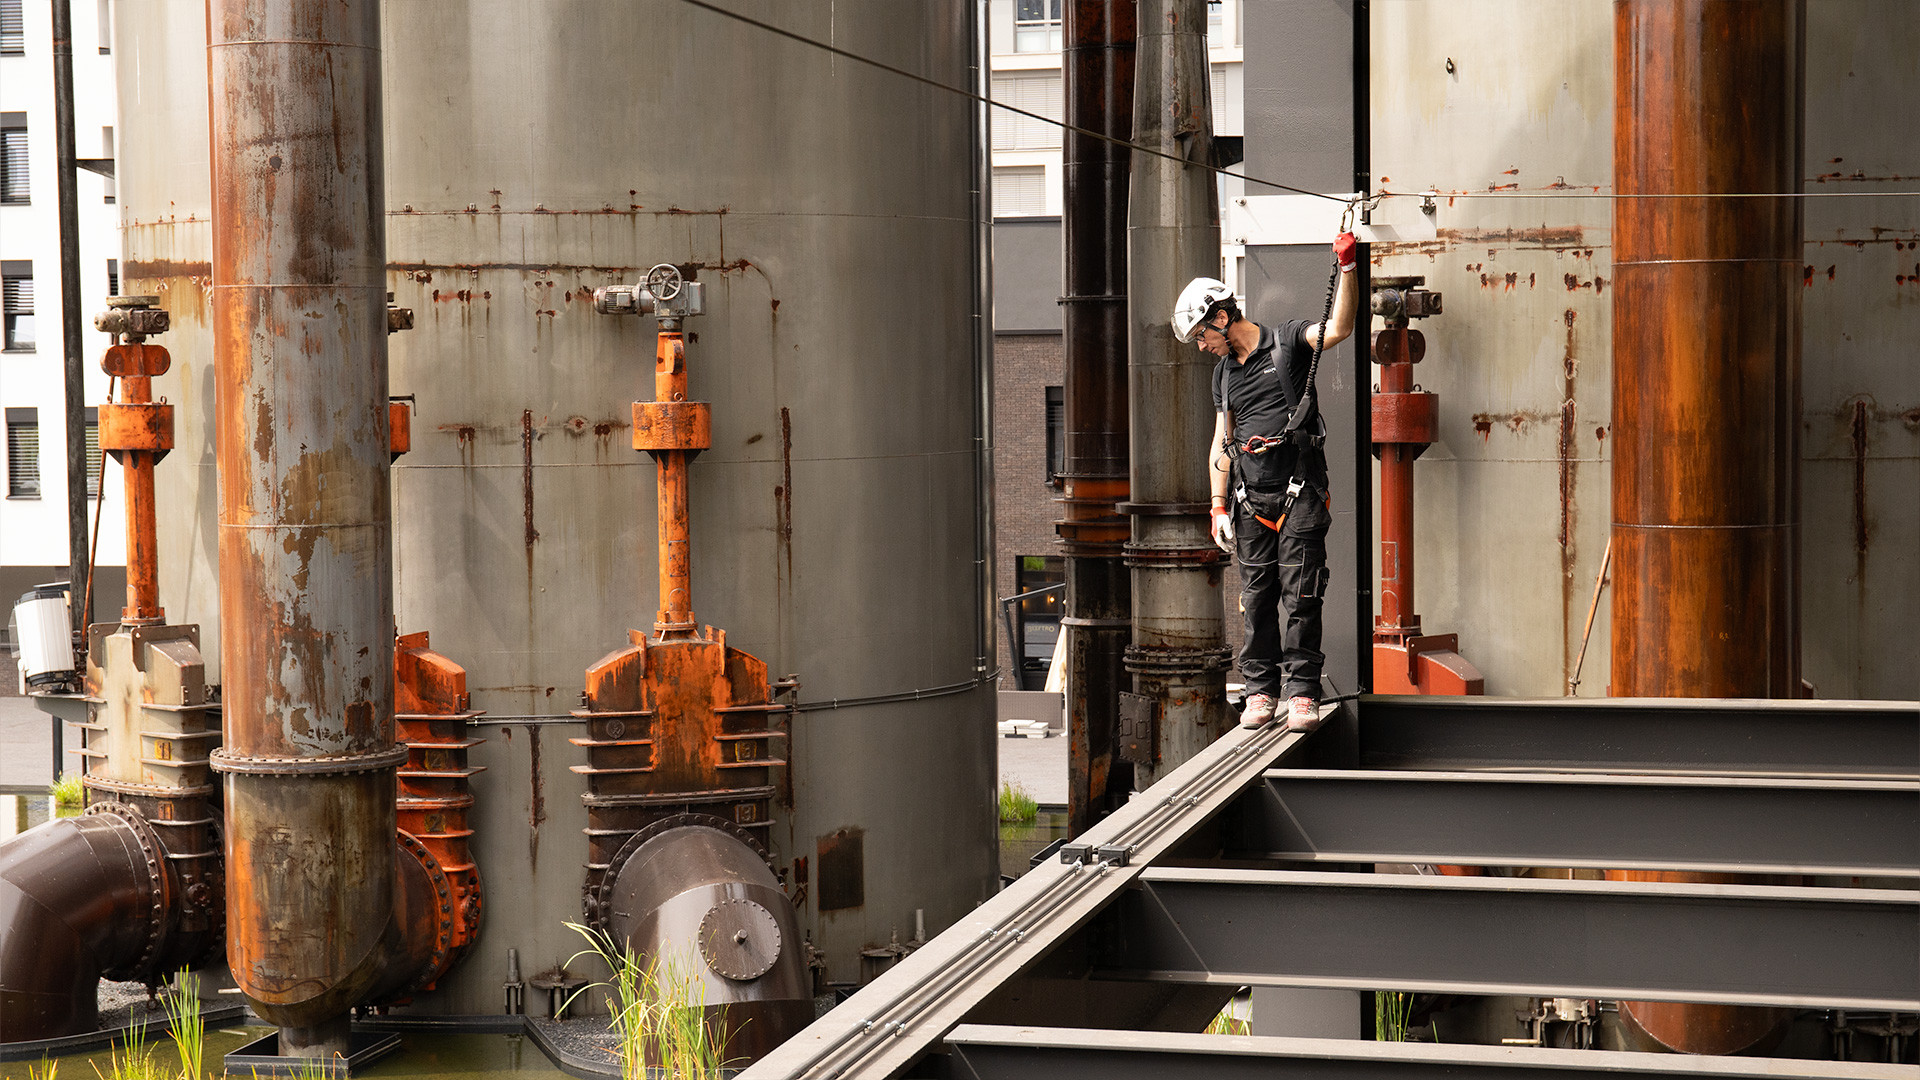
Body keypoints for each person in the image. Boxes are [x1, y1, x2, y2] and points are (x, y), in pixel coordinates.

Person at [1171, 231, 1359, 731]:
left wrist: (1347, 269)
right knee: (1256, 599)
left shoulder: (1289, 342)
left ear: (1220, 317)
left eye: (1202, 335)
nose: (1203, 346)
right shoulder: (1223, 376)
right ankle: (1260, 690)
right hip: (1249, 500)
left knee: (1302, 595)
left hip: (1300, 493)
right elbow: (1222, 442)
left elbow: (1339, 327)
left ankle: (1301, 692)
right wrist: (1217, 506)